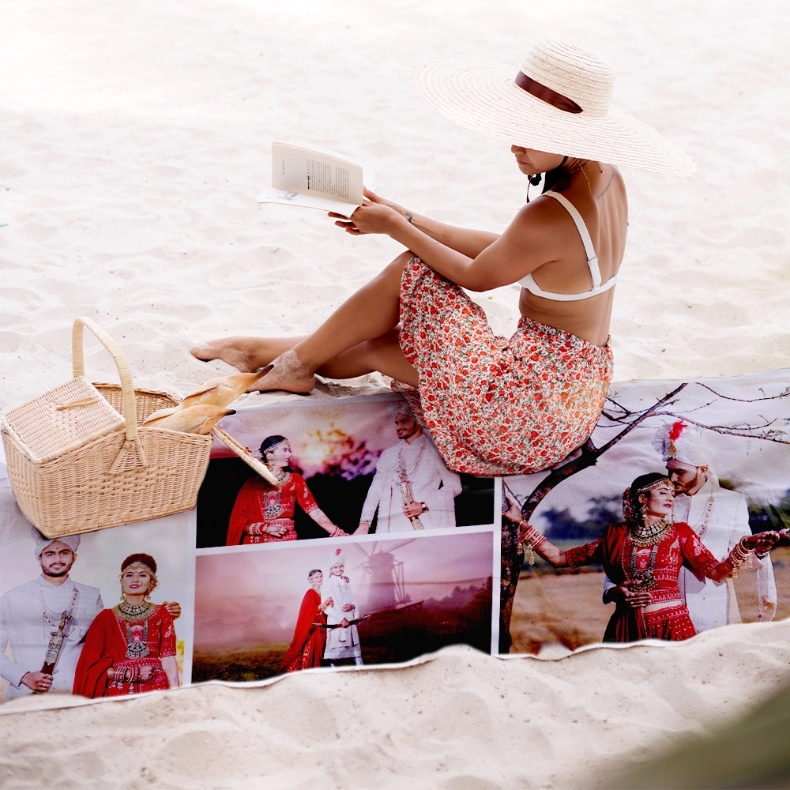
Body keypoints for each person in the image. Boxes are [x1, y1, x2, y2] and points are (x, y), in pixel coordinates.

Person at [191, 41, 694, 477]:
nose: (514, 144)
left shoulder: (548, 215)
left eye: (531, 133)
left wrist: (395, 229)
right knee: (374, 346)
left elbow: (478, 276)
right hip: (568, 401)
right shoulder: (606, 180)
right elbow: (507, 248)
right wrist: (401, 211)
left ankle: (292, 362)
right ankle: (268, 354)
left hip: (516, 415)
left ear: (570, 139)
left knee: (411, 270)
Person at [506, 473, 785, 643]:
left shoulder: (680, 533)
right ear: (642, 498)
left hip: (672, 624)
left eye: (672, 495)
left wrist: (747, 544)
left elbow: (716, 572)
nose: (671, 499)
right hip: (625, 626)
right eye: (663, 492)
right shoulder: (615, 536)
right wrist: (522, 526)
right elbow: (558, 557)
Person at [605, 421, 777, 631]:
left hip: (711, 612)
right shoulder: (655, 500)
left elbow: (735, 567)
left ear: (703, 469)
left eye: (680, 472)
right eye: (669, 471)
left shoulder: (732, 502)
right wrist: (611, 590)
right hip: (654, 614)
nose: (671, 479)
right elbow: (622, 550)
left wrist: (758, 552)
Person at [0, 531, 102, 700]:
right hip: (25, 693)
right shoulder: (13, 597)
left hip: (76, 691)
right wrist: (23, 676)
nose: (57, 560)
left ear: (74, 557)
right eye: (50, 554)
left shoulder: (91, 595)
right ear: (40, 558)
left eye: (64, 553)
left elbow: (100, 646)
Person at [72, 554, 181, 698]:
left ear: (152, 583)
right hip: (119, 690)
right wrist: (130, 673)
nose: (135, 579)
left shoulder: (162, 613)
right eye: (129, 575)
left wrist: (177, 696)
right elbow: (89, 669)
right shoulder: (105, 618)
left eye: (142, 575)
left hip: (156, 688)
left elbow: (168, 659)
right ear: (122, 581)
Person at [357, 400, 462, 533]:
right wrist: (364, 523)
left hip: (426, 522)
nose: (398, 427)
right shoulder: (389, 454)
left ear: (418, 420)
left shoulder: (438, 451)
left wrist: (423, 505)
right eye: (397, 422)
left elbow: (454, 487)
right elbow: (375, 490)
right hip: (392, 527)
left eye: (404, 421)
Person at [226, 435, 347, 545]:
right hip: (256, 545)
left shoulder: (295, 480)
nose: (289, 455)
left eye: (289, 451)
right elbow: (238, 524)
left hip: (286, 542)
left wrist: (339, 534)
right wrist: (265, 528)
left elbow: (314, 511)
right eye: (284, 450)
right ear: (269, 453)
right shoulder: (250, 484)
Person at [280, 569, 331, 673]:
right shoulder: (310, 593)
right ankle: (307, 671)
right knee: (313, 649)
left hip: (323, 623)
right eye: (316, 577)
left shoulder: (323, 591)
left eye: (321, 576)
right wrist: (324, 604)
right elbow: (308, 611)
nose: (319, 579)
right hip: (314, 625)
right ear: (311, 580)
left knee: (322, 649)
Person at [321, 549, 363, 666]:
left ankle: (362, 671)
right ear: (330, 569)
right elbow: (326, 607)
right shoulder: (327, 584)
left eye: (341, 566)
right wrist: (341, 618)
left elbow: (352, 599)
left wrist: (352, 605)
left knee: (355, 653)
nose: (339, 569)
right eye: (335, 567)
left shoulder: (346, 582)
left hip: (350, 619)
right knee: (335, 655)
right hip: (337, 621)